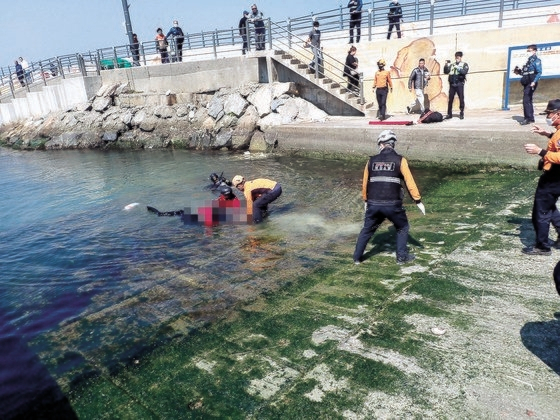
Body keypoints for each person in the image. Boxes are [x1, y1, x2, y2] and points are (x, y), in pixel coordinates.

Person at [353, 130, 425, 265]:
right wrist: (417, 200)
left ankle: (357, 258)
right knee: (402, 227)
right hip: (393, 205)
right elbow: (410, 182)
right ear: (393, 145)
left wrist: (365, 200)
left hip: (374, 204)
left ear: (381, 145)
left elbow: (365, 183)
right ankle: (401, 258)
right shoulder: (400, 160)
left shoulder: (371, 161)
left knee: (367, 229)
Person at [522, 99, 560, 256]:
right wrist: (546, 133)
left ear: (558, 114)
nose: (548, 116)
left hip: (554, 177)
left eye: (550, 113)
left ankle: (542, 246)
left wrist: (540, 151)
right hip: (555, 177)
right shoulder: (558, 130)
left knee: (541, 210)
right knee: (550, 207)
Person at [518, 44, 542, 126]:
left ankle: (528, 118)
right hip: (527, 82)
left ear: (534, 51)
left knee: (526, 100)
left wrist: (534, 82)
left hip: (531, 82)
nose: (528, 52)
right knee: (528, 100)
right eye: (527, 51)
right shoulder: (528, 61)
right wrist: (519, 72)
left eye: (529, 50)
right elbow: (526, 72)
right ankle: (530, 118)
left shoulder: (537, 61)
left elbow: (539, 72)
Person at [443, 51, 469, 120]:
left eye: (458, 57)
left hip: (459, 84)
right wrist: (446, 65)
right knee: (450, 100)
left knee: (461, 99)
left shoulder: (464, 64)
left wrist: (458, 68)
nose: (457, 58)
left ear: (461, 57)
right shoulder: (452, 65)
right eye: (456, 57)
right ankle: (449, 114)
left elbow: (464, 72)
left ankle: (461, 113)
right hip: (452, 85)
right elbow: (446, 72)